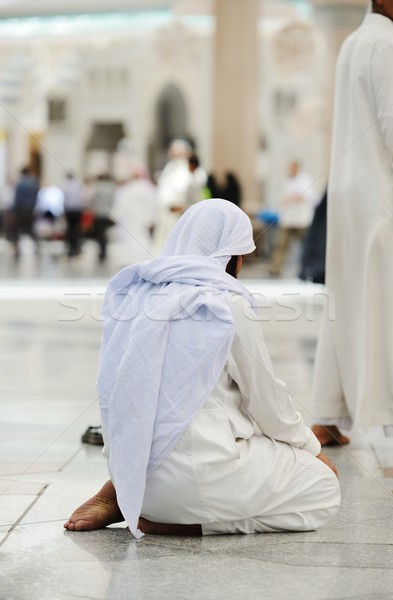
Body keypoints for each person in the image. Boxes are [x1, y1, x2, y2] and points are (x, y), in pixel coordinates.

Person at [64, 199, 340, 538]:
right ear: (232, 258)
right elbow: (269, 404)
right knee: (324, 489)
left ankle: (125, 496)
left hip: (136, 478)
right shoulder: (227, 304)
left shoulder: (136, 296)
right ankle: (198, 524)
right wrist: (312, 450)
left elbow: (116, 396)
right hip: (205, 479)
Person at [311, 0, 393, 446]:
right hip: (380, 194)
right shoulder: (386, 44)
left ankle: (329, 411)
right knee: (381, 300)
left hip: (348, 192)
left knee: (345, 300)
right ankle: (378, 409)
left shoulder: (353, 42)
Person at [269, 161, 318, 276]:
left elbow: (309, 196)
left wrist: (293, 198)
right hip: (288, 219)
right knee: (281, 244)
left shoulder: (305, 180)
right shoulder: (288, 181)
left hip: (301, 220)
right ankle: (276, 267)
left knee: (306, 244)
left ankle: (310, 266)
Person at [111, 165, 158, 266]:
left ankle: (133, 259)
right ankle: (144, 258)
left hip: (131, 219)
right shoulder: (149, 187)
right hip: (144, 219)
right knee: (143, 237)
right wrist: (152, 218)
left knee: (132, 239)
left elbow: (123, 203)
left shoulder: (130, 188)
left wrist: (115, 214)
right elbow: (154, 204)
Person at [153, 138, 193, 252]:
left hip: (178, 213)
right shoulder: (170, 167)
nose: (174, 154)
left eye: (178, 152)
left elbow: (187, 192)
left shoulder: (187, 169)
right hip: (164, 213)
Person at [9, 166, 39, 258]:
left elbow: (16, 199)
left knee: (16, 230)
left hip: (20, 210)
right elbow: (36, 197)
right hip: (30, 210)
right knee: (31, 230)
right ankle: (37, 246)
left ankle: (16, 248)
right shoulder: (33, 183)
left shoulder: (19, 184)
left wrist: (13, 211)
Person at [90, 173, 116, 263]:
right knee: (105, 234)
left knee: (100, 235)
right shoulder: (111, 188)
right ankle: (105, 252)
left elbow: (93, 201)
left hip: (99, 214)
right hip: (107, 213)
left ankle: (102, 253)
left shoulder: (97, 188)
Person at [62, 173, 87, 258]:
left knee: (70, 229)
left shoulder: (66, 186)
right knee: (77, 229)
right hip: (77, 211)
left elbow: (64, 200)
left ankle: (71, 248)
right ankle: (77, 248)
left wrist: (64, 210)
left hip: (69, 211)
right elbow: (82, 198)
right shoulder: (78, 185)